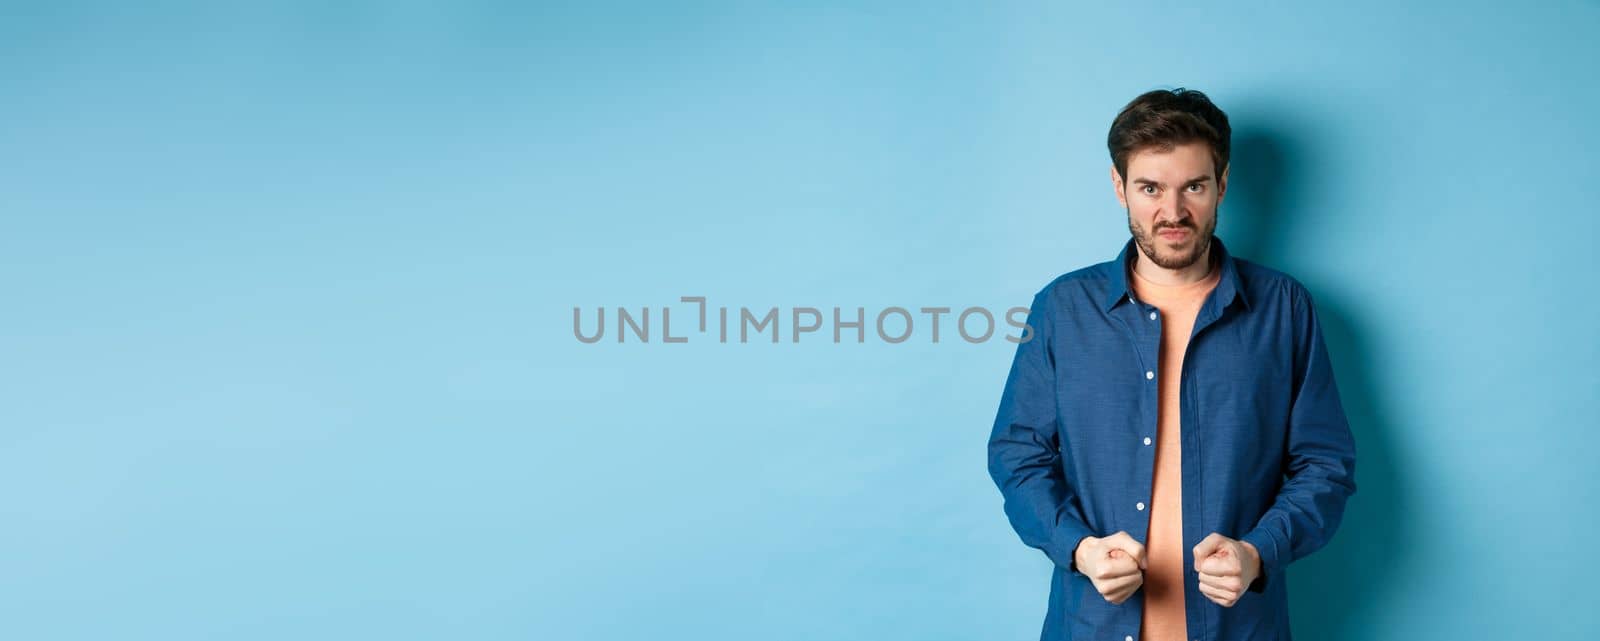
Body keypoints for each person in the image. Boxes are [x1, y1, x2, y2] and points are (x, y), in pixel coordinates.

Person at [986, 87, 1357, 641]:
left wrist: (1259, 552)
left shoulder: (1284, 309)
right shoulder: (1062, 309)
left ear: (1222, 184)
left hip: (1241, 630)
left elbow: (1324, 464)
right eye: (1150, 188)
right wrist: (1080, 549)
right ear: (1120, 188)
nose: (1173, 212)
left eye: (1194, 187)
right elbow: (1018, 455)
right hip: (1093, 626)